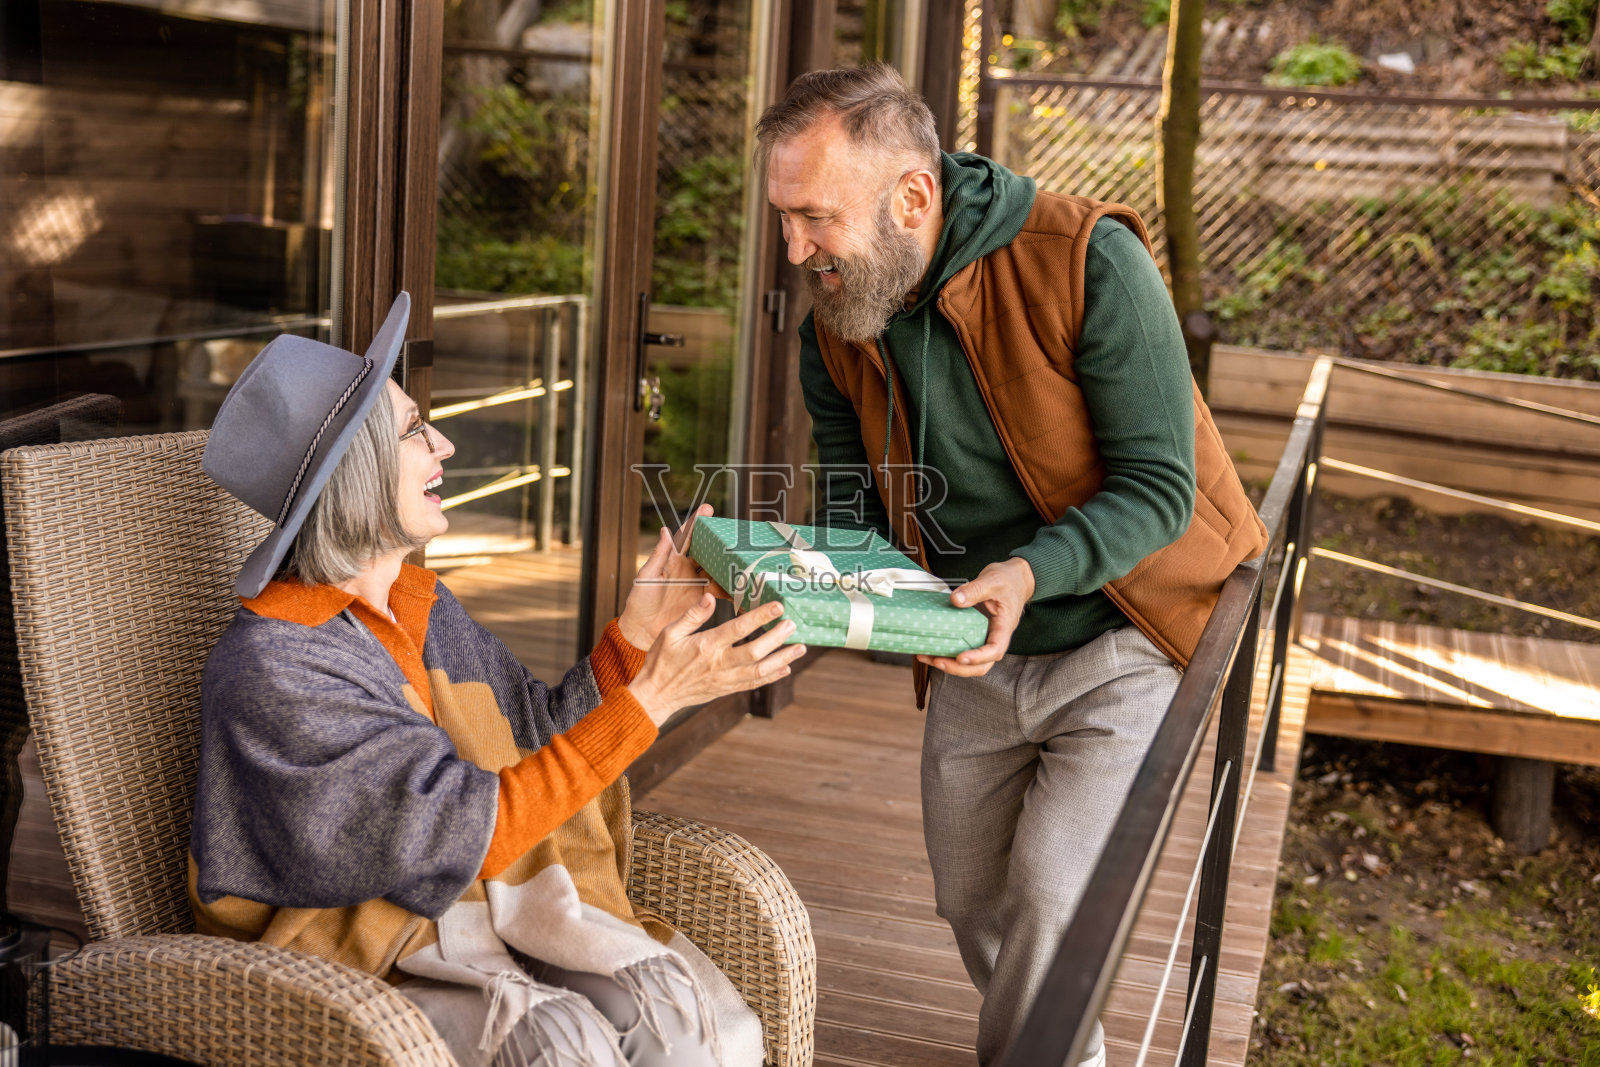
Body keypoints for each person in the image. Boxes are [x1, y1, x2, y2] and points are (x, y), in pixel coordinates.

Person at [755, 65, 1268, 1066]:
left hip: (1126, 627)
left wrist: (1030, 573)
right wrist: (800, 578)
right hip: (967, 639)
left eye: (813, 216)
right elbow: (854, 495)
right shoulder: (843, 309)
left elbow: (1159, 489)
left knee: (1050, 895)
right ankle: (1062, 1037)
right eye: (783, 218)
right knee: (972, 897)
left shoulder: (1087, 259)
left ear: (911, 195)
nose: (794, 248)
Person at [189, 293, 803, 1067]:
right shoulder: (277, 664)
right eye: (414, 430)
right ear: (356, 471)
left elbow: (533, 740)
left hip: (477, 905)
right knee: (561, 1046)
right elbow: (463, 827)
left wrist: (637, 634)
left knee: (686, 1025)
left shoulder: (421, 607)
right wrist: (654, 699)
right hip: (355, 950)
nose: (441, 442)